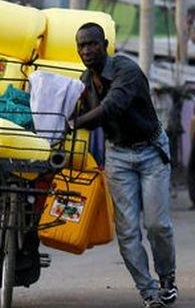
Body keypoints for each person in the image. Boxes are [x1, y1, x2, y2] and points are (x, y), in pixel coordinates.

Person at [69, 23, 177, 308]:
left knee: (156, 225)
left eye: (92, 44)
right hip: (117, 155)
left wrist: (73, 123)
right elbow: (80, 114)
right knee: (127, 232)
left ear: (105, 45)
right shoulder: (84, 81)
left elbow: (111, 108)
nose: (86, 50)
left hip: (151, 151)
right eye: (81, 45)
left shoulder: (126, 70)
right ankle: (149, 292)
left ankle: (167, 278)